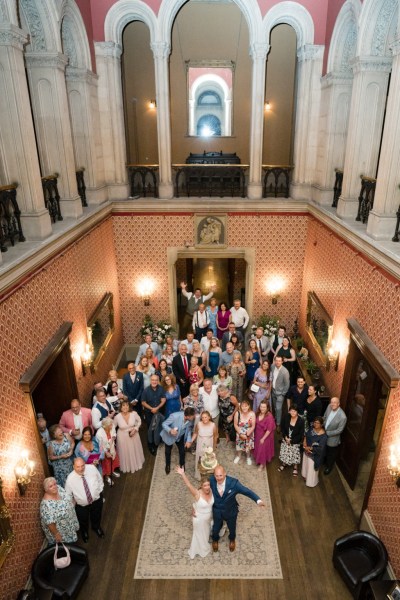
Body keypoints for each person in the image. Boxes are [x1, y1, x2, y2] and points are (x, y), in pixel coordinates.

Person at [210, 465, 265, 552]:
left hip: (230, 511)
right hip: (217, 511)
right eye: (216, 475)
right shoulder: (211, 480)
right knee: (215, 528)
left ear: (225, 474)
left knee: (232, 528)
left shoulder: (234, 484)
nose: (218, 478)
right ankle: (215, 540)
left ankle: (232, 540)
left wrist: (258, 500)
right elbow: (203, 490)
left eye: (220, 475)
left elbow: (247, 491)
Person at [175, 466, 214, 559]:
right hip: (199, 519)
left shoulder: (212, 491)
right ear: (201, 486)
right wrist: (182, 474)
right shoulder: (197, 494)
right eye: (205, 485)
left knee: (206, 533)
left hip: (208, 519)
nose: (207, 487)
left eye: (208, 485)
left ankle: (204, 544)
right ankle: (198, 550)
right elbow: (189, 485)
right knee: (199, 535)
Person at [65, 457, 105, 542]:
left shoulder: (92, 468)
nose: (80, 469)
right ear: (73, 467)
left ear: (85, 464)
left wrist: (99, 491)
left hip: (96, 500)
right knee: (83, 520)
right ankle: (84, 532)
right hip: (81, 506)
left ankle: (96, 527)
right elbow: (68, 494)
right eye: (78, 467)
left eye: (82, 466)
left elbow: (99, 479)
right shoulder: (70, 479)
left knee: (97, 515)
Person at [40, 477, 79, 544]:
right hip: (62, 531)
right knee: (66, 548)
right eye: (51, 486)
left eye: (54, 484)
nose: (54, 487)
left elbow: (66, 496)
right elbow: (50, 523)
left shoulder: (59, 488)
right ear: (46, 489)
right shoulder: (46, 506)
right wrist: (56, 534)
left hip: (69, 523)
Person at [160, 407, 195, 474]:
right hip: (170, 436)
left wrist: (188, 440)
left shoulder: (191, 420)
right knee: (167, 452)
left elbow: (189, 430)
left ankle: (182, 464)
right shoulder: (174, 416)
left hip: (180, 436)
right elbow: (163, 424)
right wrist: (170, 430)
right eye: (192, 416)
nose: (194, 417)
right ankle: (167, 465)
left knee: (182, 451)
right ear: (188, 416)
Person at [114, 400, 145, 473]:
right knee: (125, 452)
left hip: (133, 434)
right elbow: (113, 427)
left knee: (134, 449)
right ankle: (127, 466)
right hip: (122, 437)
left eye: (127, 405)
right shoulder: (117, 417)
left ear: (129, 407)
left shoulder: (134, 414)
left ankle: (136, 464)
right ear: (120, 407)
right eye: (123, 405)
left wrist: (135, 428)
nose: (125, 407)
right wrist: (112, 437)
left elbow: (139, 421)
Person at [141, 374, 166, 455]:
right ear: (150, 381)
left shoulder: (161, 389)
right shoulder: (146, 390)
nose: (154, 381)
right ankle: (151, 445)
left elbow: (163, 399)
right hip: (149, 413)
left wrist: (157, 408)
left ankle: (157, 442)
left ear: (157, 381)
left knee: (158, 427)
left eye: (156, 380)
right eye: (153, 380)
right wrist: (152, 409)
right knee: (150, 429)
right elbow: (143, 402)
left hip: (159, 412)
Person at [278, 404, 305, 477]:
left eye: (294, 411)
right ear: (289, 411)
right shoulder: (286, 417)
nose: (293, 413)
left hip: (295, 441)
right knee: (285, 452)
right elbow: (282, 428)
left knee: (294, 454)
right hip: (286, 439)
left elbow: (301, 434)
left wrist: (292, 441)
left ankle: (295, 467)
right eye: (291, 411)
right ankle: (284, 463)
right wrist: (285, 437)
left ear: (297, 412)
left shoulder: (301, 421)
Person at [323, 397, 347, 475]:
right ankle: (324, 462)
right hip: (324, 432)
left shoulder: (343, 417)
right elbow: (325, 416)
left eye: (335, 402)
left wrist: (328, 433)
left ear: (338, 404)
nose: (332, 404)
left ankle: (329, 467)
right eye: (331, 402)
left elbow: (339, 430)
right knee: (324, 449)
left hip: (333, 439)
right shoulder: (329, 407)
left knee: (331, 454)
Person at [191, 410, 218, 480]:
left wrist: (214, 447)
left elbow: (215, 436)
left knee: (208, 459)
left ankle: (208, 475)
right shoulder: (199, 424)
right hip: (200, 444)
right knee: (199, 458)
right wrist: (190, 441)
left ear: (209, 417)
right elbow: (195, 433)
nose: (204, 419)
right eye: (202, 417)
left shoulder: (213, 425)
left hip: (209, 444)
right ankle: (198, 474)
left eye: (206, 417)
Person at [302, 416, 328, 487]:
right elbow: (306, 434)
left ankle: (311, 482)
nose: (315, 424)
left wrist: (309, 448)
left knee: (311, 469)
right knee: (306, 465)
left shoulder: (324, 436)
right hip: (307, 451)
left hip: (314, 455)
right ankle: (305, 475)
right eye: (315, 422)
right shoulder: (311, 428)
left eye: (318, 423)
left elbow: (321, 449)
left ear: (321, 425)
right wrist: (304, 441)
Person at [95, 417, 120, 486]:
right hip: (104, 451)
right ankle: (107, 477)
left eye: (111, 424)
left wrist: (113, 438)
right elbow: (100, 446)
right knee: (106, 464)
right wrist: (106, 452)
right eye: (110, 425)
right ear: (105, 426)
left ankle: (112, 472)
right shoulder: (99, 434)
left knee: (112, 461)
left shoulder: (112, 426)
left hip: (111, 448)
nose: (112, 426)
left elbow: (114, 433)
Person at [253, 400, 276, 470]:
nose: (262, 408)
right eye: (261, 406)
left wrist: (263, 438)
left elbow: (269, 430)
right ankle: (258, 459)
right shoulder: (258, 412)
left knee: (262, 448)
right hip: (257, 433)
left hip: (265, 435)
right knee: (257, 446)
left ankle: (262, 464)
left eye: (264, 407)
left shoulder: (269, 416)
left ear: (267, 408)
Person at [270, 355, 290, 430]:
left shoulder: (285, 372)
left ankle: (278, 424)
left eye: (279, 361)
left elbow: (287, 384)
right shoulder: (272, 366)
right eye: (276, 360)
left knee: (278, 408)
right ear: (274, 361)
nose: (277, 362)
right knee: (275, 407)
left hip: (280, 394)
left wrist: (283, 394)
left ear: (282, 361)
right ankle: (275, 418)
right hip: (273, 391)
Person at [234, 399, 256, 465]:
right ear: (240, 407)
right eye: (243, 406)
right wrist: (240, 433)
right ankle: (238, 456)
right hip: (239, 432)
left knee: (248, 446)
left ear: (249, 406)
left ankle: (248, 457)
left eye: (246, 406)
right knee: (239, 446)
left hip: (249, 433)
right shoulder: (237, 413)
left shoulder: (252, 414)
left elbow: (253, 426)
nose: (244, 408)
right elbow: (235, 424)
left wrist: (248, 434)